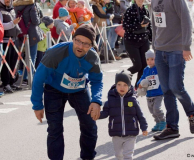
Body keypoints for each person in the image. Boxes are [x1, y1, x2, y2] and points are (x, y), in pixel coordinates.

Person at [31, 24, 103, 160]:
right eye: (78, 41)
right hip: (54, 89)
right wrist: (37, 105)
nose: (80, 46)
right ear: (73, 38)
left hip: (79, 89)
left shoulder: (92, 57)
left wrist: (96, 101)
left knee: (90, 125)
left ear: (91, 46)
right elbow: (38, 79)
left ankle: (87, 157)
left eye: (86, 44)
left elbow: (97, 81)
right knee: (54, 128)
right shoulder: (55, 53)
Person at [151, 0, 194, 140]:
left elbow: (186, 20)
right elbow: (155, 25)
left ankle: (192, 115)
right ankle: (172, 128)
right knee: (166, 90)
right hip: (160, 51)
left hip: (176, 50)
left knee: (176, 87)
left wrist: (186, 46)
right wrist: (155, 47)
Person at [99, 70, 148, 160]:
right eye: (119, 84)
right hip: (116, 133)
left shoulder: (133, 100)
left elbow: (140, 115)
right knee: (118, 155)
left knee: (128, 155)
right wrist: (97, 115)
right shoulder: (111, 99)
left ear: (129, 86)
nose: (122, 87)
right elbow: (105, 112)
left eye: (125, 85)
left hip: (131, 134)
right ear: (115, 85)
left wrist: (144, 127)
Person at [123, 0, 152, 89]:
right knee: (137, 66)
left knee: (144, 66)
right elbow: (125, 26)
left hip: (144, 40)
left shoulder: (145, 10)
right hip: (131, 41)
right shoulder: (129, 10)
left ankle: (137, 87)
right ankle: (122, 78)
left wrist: (152, 38)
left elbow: (149, 27)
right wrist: (140, 25)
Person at [15, 1, 44, 84]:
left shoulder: (16, 5)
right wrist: (39, 18)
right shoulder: (31, 5)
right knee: (32, 56)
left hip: (21, 32)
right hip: (32, 33)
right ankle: (29, 77)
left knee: (25, 56)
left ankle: (25, 76)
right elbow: (35, 21)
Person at [137, 49, 166, 132]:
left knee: (157, 108)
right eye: (148, 59)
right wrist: (139, 83)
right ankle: (157, 122)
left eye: (152, 59)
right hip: (149, 94)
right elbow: (142, 78)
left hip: (158, 93)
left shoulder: (158, 68)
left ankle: (163, 121)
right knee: (152, 110)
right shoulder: (146, 70)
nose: (150, 61)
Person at [0, 0, 22, 92]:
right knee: (6, 63)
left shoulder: (12, 9)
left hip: (14, 39)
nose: (7, 1)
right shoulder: (0, 10)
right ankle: (6, 83)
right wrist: (13, 23)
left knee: (13, 62)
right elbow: (1, 25)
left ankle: (12, 82)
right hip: (5, 41)